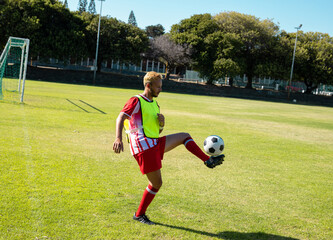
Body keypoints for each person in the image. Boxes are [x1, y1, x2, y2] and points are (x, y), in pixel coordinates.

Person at [113, 71, 224, 225]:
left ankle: (208, 160)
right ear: (148, 86)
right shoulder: (136, 100)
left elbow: (157, 131)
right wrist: (118, 138)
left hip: (154, 143)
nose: (160, 89)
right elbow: (121, 117)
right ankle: (139, 214)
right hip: (144, 147)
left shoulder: (155, 105)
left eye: (161, 86)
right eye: (158, 87)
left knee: (185, 136)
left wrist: (162, 123)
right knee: (157, 184)